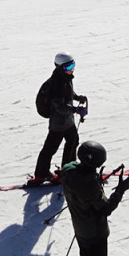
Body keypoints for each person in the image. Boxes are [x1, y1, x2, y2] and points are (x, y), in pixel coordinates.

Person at [30, 52, 87, 186]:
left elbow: (68, 92)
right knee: (50, 148)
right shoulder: (57, 83)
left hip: (67, 120)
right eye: (68, 67)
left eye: (73, 65)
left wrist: (77, 97)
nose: (71, 69)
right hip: (59, 123)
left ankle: (67, 171)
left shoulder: (65, 77)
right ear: (60, 67)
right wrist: (75, 109)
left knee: (72, 142)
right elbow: (59, 106)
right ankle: (41, 174)